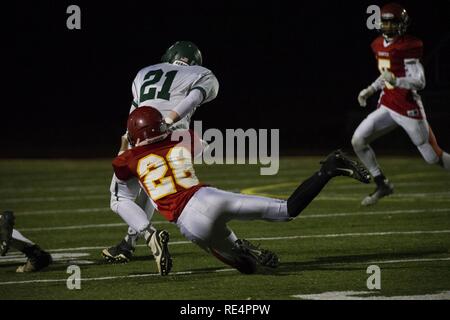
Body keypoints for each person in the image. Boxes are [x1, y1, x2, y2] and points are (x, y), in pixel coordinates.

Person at [111, 106, 370, 274]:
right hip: (210, 197)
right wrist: (171, 129)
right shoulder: (183, 138)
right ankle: (329, 168)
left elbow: (123, 184)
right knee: (287, 210)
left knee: (246, 267)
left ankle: (241, 249)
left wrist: (125, 146)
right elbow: (199, 144)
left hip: (190, 222)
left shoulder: (125, 160)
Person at [102, 40, 219, 264]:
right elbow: (194, 98)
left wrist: (124, 147)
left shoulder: (144, 72)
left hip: (144, 137)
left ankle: (148, 235)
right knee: (150, 191)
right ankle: (128, 243)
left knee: (118, 198)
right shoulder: (202, 73)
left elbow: (133, 115)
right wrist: (169, 121)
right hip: (176, 142)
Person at [352, 2, 450, 206]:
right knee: (358, 140)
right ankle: (382, 184)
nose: (387, 27)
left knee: (433, 158)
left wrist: (396, 81)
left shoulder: (409, 46)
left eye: (391, 22)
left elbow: (420, 81)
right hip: (388, 104)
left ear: (402, 24)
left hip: (408, 107)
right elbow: (385, 75)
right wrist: (370, 89)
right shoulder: (378, 44)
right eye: (385, 22)